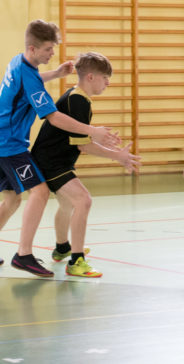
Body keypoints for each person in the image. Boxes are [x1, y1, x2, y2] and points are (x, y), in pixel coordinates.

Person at [0, 19, 119, 277]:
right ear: (32, 48)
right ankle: (23, 255)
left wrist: (55, 74)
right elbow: (54, 117)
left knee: (11, 199)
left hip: (4, 141)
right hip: (9, 145)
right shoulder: (31, 78)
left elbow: (29, 82)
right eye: (48, 49)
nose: (52, 53)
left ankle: (47, 250)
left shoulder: (18, 62)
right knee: (40, 192)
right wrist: (93, 131)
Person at [31, 52, 140, 278]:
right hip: (52, 162)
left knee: (67, 204)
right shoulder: (78, 100)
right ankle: (76, 261)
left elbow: (81, 139)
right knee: (83, 200)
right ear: (90, 77)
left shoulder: (77, 97)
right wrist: (118, 156)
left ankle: (62, 248)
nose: (108, 83)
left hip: (54, 159)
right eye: (105, 78)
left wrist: (104, 142)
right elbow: (84, 146)